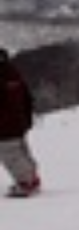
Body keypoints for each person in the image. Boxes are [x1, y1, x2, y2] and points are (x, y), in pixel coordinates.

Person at [0, 48, 40, 197]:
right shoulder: (13, 73)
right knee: (21, 151)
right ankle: (31, 178)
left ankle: (25, 183)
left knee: (10, 154)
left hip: (4, 126)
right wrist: (27, 119)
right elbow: (26, 97)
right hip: (18, 122)